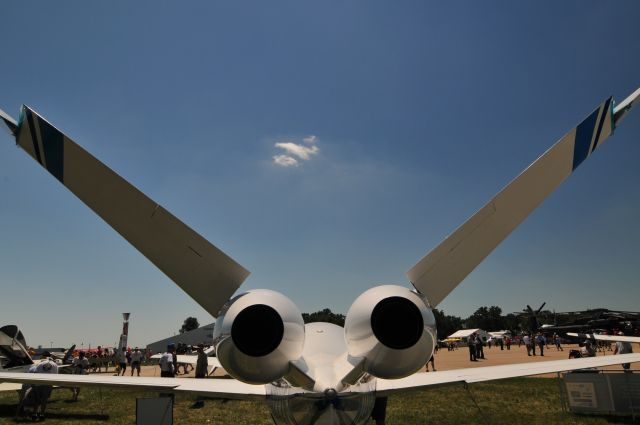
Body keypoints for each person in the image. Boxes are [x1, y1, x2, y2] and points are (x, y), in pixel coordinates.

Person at [16, 351, 58, 421]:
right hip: (48, 384)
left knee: (37, 400)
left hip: (38, 384)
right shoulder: (54, 364)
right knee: (44, 400)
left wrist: (33, 384)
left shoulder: (40, 364)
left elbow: (36, 373)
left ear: (43, 357)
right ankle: (42, 414)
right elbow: (55, 375)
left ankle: (34, 414)